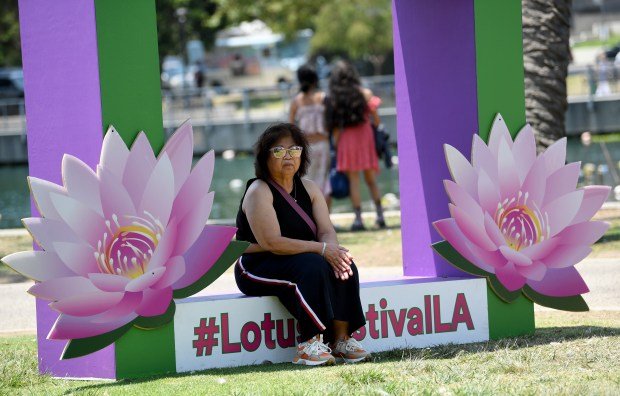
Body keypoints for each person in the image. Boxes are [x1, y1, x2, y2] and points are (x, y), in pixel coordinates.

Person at [234, 123, 370, 366]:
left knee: (345, 266)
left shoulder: (309, 188)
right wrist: (321, 249)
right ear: (265, 157)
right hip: (256, 265)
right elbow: (272, 242)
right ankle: (309, 343)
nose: (288, 156)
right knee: (312, 266)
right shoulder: (259, 190)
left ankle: (341, 340)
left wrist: (333, 252)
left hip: (298, 258)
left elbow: (326, 230)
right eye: (278, 151)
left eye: (294, 150)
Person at [325, 61, 385, 231]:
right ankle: (380, 216)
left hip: (347, 140)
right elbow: (376, 119)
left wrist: (336, 146)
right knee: (371, 179)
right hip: (365, 137)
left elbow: (335, 127)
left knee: (354, 181)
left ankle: (358, 219)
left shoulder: (335, 98)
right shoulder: (365, 93)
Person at [289, 64, 331, 205]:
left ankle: (309, 220)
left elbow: (291, 128)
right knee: (324, 183)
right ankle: (326, 220)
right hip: (323, 144)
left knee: (305, 183)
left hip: (305, 147)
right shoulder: (323, 98)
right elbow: (331, 123)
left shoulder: (296, 102)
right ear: (315, 79)